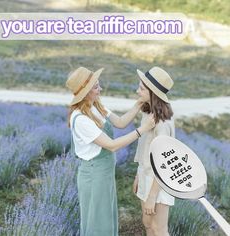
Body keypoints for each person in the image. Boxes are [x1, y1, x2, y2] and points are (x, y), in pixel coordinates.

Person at [65, 66, 155, 236]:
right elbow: (112, 145)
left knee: (105, 217)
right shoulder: (80, 118)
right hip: (93, 174)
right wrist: (143, 129)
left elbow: (120, 122)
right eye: (96, 87)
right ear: (85, 92)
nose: (100, 89)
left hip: (104, 172)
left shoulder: (96, 106)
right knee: (98, 222)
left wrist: (139, 103)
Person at [133, 66, 175, 236]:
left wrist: (151, 196)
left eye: (142, 88)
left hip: (158, 182)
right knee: (148, 224)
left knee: (159, 230)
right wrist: (138, 175)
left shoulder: (162, 123)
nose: (137, 91)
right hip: (145, 175)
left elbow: (164, 164)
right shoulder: (148, 113)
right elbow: (144, 148)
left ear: (153, 93)